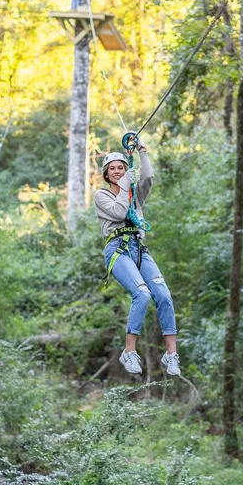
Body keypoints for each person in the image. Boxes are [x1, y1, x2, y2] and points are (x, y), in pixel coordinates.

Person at [93, 139, 180, 377]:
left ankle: (171, 354)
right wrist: (124, 187)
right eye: (113, 169)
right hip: (118, 248)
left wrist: (142, 152)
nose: (118, 171)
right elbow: (120, 212)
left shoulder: (134, 194)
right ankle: (129, 351)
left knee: (163, 294)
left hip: (139, 248)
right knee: (141, 293)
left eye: (121, 167)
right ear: (107, 175)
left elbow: (149, 177)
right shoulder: (101, 196)